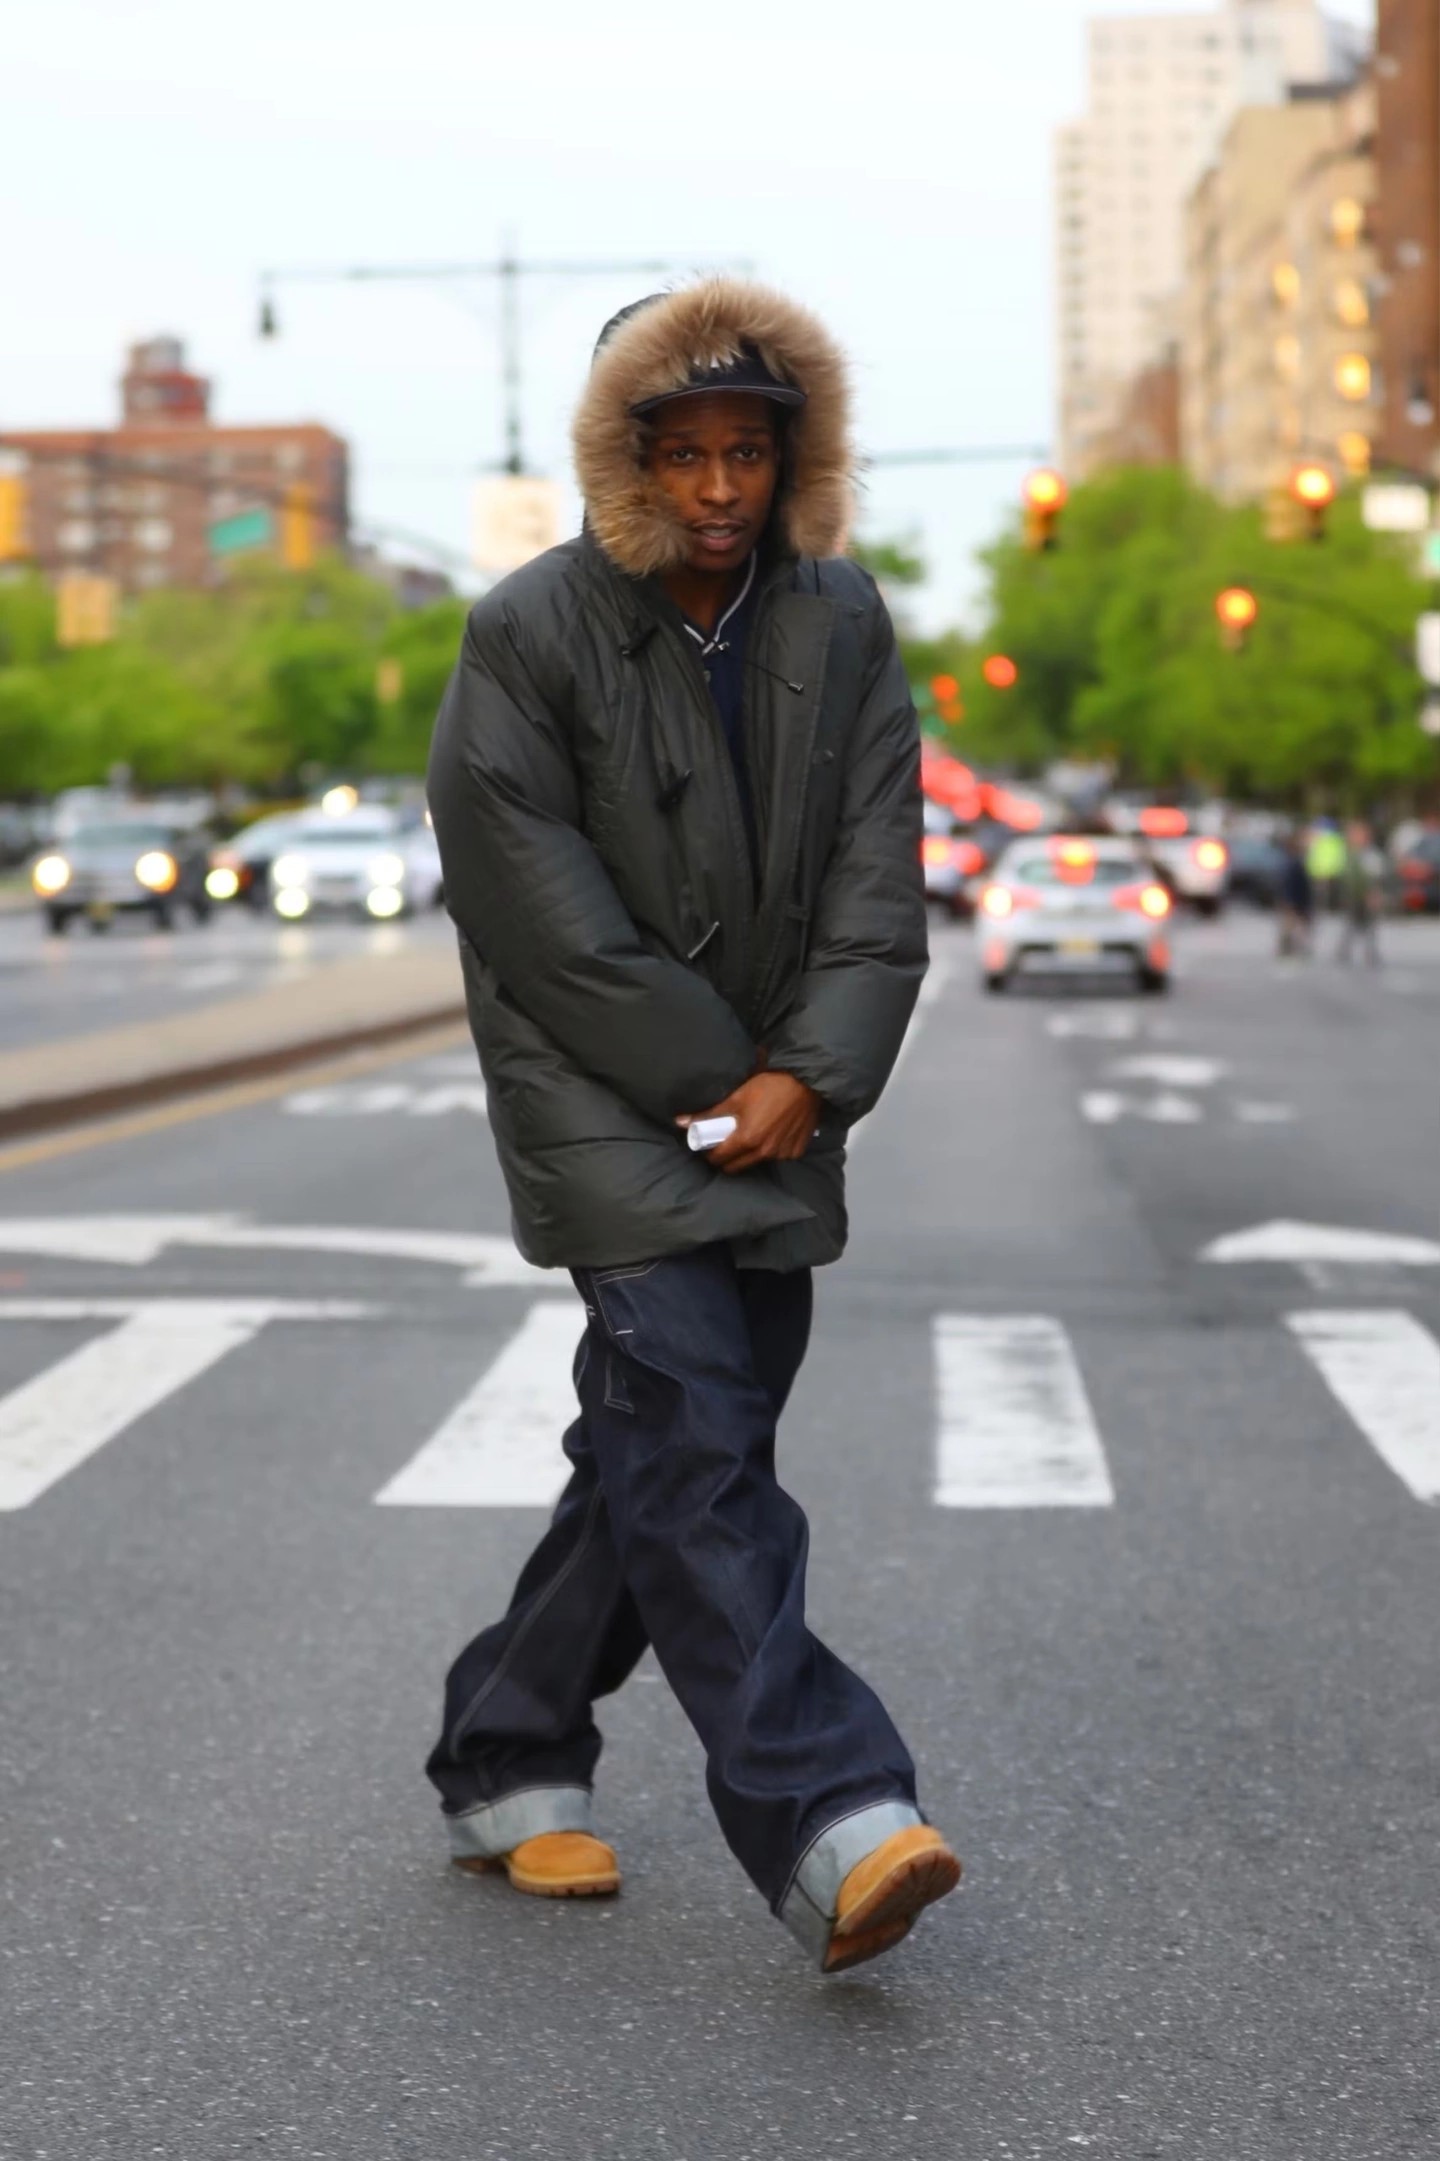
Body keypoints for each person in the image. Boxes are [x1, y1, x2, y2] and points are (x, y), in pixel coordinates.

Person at [423, 279, 960, 1974]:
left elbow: (879, 869)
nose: (720, 487)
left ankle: (505, 1751)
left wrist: (813, 1075)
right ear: (625, 457)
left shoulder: (842, 618)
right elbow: (537, 910)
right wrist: (729, 1078)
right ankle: (830, 1809)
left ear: (796, 456)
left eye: (750, 451)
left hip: (782, 1096)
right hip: (602, 1092)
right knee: (703, 1440)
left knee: (655, 1453)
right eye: (683, 453)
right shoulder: (528, 629)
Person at [1335, 818, 1383, 965]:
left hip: (1365, 895)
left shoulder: (1370, 854)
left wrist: (1373, 894)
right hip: (1352, 896)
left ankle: (1370, 953)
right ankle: (1344, 952)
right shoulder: (1349, 853)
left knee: (1369, 925)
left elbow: (1375, 877)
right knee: (1350, 925)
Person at [1276, 830, 1314, 959]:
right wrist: (1289, 901)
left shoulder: (1294, 862)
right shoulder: (1294, 863)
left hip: (1296, 900)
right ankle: (1288, 947)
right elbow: (1291, 883)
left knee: (1294, 926)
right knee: (1291, 925)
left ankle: (1291, 947)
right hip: (1294, 900)